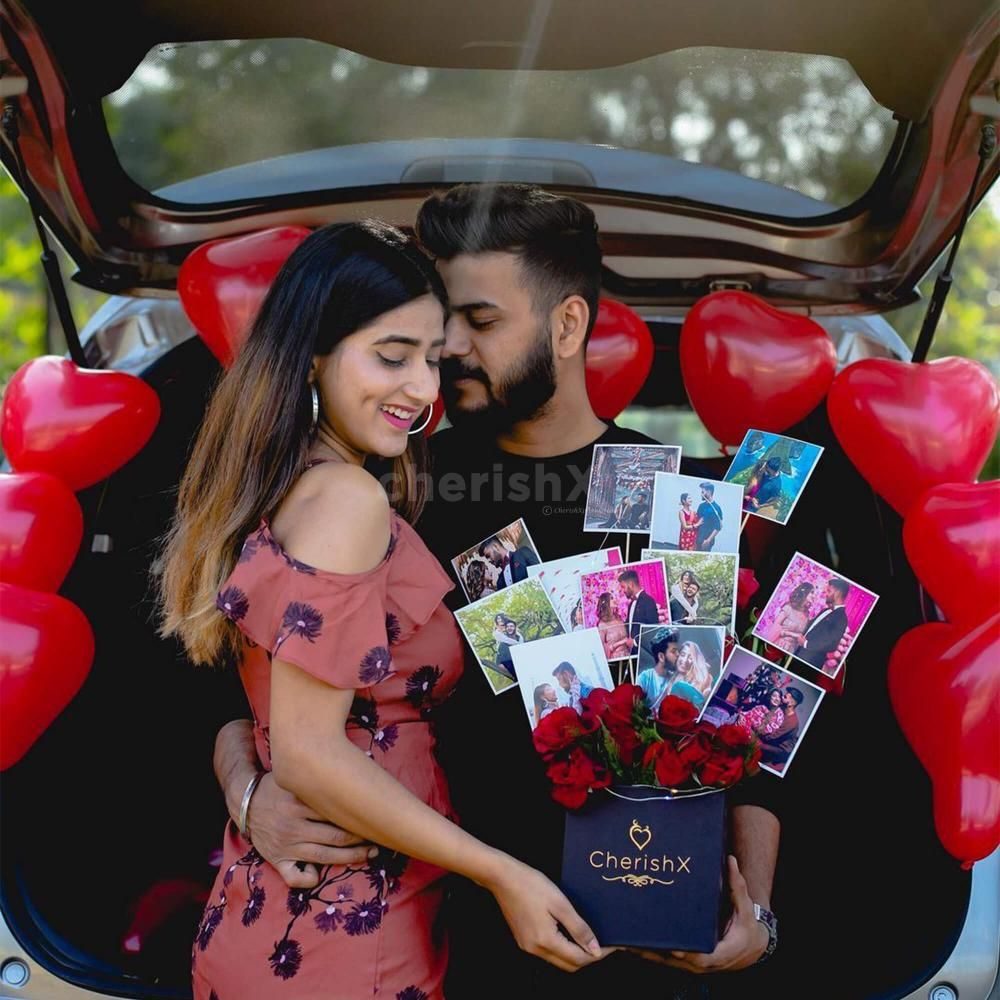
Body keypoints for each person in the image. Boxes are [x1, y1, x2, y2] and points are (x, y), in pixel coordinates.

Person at [213, 184, 780, 996]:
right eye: (438, 327)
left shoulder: (683, 494)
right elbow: (233, 675)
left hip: (648, 941)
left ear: (568, 326)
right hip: (446, 941)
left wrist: (755, 909)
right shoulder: (392, 485)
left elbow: (755, 723)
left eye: (479, 321)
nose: (449, 349)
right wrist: (250, 792)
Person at [157, 222, 604, 998]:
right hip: (345, 928)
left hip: (292, 912)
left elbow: (266, 717)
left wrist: (248, 788)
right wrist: (503, 874)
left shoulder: (293, 485)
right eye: (393, 356)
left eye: (431, 359)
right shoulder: (347, 499)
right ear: (312, 354)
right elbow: (309, 754)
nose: (425, 390)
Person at [786, 578, 850, 668]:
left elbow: (831, 644)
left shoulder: (841, 618)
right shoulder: (825, 610)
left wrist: (806, 644)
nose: (825, 593)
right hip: (797, 653)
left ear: (837, 593)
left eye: (829, 591)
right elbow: (811, 628)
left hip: (810, 663)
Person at [758, 688, 804, 769]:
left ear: (792, 703)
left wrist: (757, 734)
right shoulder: (782, 708)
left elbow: (773, 736)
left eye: (785, 697)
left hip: (782, 749)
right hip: (773, 740)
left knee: (759, 745)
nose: (781, 697)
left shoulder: (792, 721)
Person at [636, 628, 679, 711]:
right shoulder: (645, 678)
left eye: (678, 651)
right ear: (661, 656)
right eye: (674, 652)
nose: (678, 655)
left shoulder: (676, 679)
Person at [767, 582, 813, 654]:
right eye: (812, 592)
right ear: (805, 593)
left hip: (792, 651)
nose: (814, 595)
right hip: (780, 646)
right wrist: (793, 634)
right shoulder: (788, 608)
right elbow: (774, 629)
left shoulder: (807, 614)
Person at [667, 640, 715, 709]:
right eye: (682, 655)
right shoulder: (669, 678)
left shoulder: (698, 684)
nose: (685, 660)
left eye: (690, 658)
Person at [620, 569, 659, 644]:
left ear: (631, 584)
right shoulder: (631, 604)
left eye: (623, 587)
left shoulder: (648, 601)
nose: (623, 591)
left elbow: (653, 628)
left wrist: (635, 642)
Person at [596, 591, 633, 660]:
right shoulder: (602, 625)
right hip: (615, 659)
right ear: (606, 602)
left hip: (628, 656)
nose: (615, 599)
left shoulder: (619, 619)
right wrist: (621, 642)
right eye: (611, 598)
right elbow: (601, 650)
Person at [696, 481, 724, 551]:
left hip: (706, 542)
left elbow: (718, 527)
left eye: (703, 492)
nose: (701, 494)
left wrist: (708, 540)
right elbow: (698, 521)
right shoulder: (701, 506)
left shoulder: (716, 508)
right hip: (697, 539)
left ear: (709, 492)